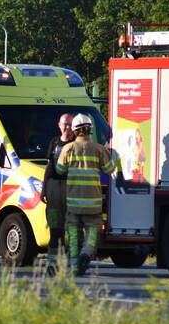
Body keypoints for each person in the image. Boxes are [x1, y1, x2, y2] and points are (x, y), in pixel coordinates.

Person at [55, 114, 119, 276]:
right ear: (90, 130)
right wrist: (115, 158)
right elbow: (110, 170)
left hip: (73, 204)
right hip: (93, 203)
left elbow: (60, 170)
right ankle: (86, 253)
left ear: (75, 131)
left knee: (74, 234)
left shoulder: (68, 149)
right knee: (92, 233)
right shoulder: (99, 149)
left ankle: (75, 265)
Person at [42, 113, 74, 272]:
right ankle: (52, 264)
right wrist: (44, 189)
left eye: (70, 124)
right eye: (65, 124)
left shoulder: (76, 144)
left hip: (70, 188)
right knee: (55, 228)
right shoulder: (54, 142)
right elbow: (48, 166)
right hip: (54, 188)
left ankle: (68, 263)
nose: (68, 128)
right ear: (59, 125)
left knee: (70, 229)